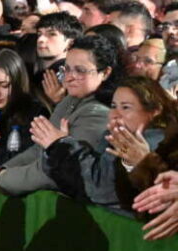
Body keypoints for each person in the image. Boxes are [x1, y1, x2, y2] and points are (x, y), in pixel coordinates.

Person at [0, 35, 115, 196]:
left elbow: (55, 171)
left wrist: (3, 179)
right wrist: (4, 169)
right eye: (67, 69)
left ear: (105, 73)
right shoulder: (69, 99)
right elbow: (39, 150)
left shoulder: (99, 113)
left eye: (80, 71)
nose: (69, 77)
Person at [41, 76, 173, 209]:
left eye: (126, 107)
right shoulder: (114, 136)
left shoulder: (158, 145)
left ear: (154, 111)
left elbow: (100, 191)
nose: (115, 114)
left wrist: (61, 146)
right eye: (113, 106)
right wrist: (59, 147)